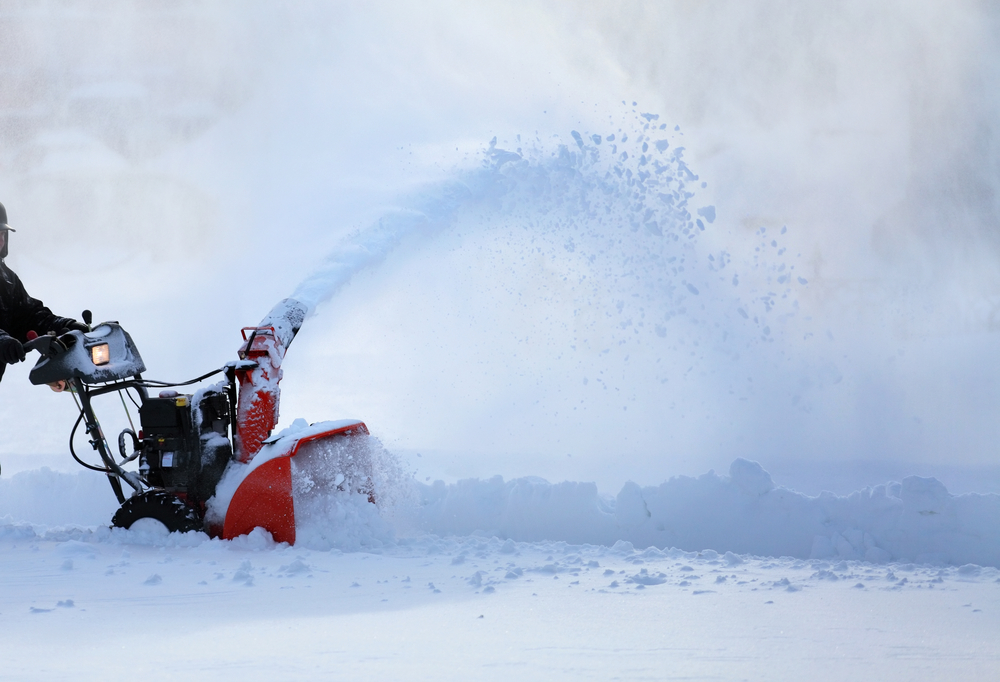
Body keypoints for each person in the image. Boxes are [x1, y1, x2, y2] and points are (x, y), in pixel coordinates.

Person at [0, 201, 88, 384]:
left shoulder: (7, 278)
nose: (0, 241)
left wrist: (63, 325)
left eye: (2, 234)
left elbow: (28, 316)